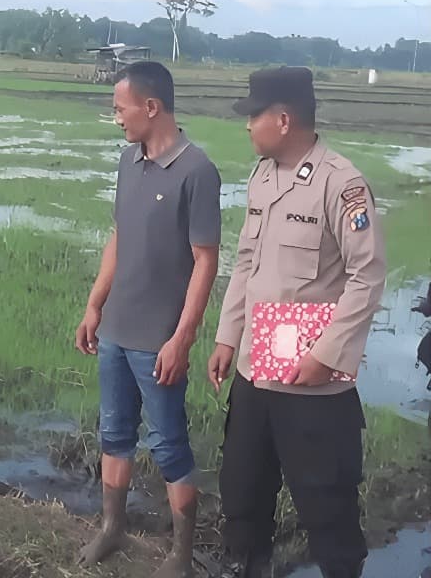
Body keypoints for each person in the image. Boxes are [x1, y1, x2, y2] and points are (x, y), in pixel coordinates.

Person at [207, 67, 386, 578]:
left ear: (282, 120)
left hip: (315, 387)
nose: (247, 127)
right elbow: (247, 263)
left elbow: (367, 277)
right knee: (242, 494)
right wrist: (227, 336)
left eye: (253, 116)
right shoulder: (263, 176)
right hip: (254, 376)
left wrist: (326, 355)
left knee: (327, 508)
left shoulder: (341, 185)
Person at [74, 62, 221, 577]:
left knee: (168, 442)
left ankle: (180, 554)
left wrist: (182, 338)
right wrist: (96, 303)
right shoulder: (127, 161)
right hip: (116, 329)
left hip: (158, 339)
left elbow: (206, 261)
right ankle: (111, 528)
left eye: (120, 108)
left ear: (151, 107)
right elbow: (119, 236)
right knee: (114, 433)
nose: (116, 119)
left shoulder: (197, 171)